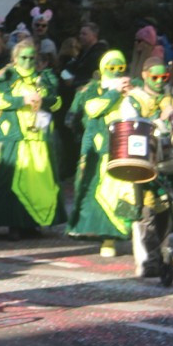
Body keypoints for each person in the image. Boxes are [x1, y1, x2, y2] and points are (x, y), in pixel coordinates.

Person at [0, 39, 66, 239]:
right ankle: (14, 224)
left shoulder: (44, 78)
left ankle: (33, 222)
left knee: (38, 180)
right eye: (23, 58)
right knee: (12, 180)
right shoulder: (6, 77)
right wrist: (22, 100)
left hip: (39, 138)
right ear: (15, 58)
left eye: (31, 58)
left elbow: (58, 103)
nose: (28, 61)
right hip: (14, 138)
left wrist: (43, 100)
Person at [118, 57, 173, 281]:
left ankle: (162, 256)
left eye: (164, 77)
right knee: (145, 212)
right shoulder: (133, 99)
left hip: (168, 162)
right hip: (142, 163)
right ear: (144, 75)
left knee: (165, 210)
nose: (160, 81)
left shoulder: (171, 98)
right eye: (155, 77)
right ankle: (146, 261)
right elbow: (131, 127)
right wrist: (159, 119)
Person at [67, 50, 133, 256]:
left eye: (120, 68)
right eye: (111, 68)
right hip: (100, 148)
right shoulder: (91, 89)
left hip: (127, 147)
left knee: (125, 193)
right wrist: (113, 92)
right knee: (100, 192)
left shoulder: (132, 86)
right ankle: (107, 237)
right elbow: (93, 109)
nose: (116, 72)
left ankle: (125, 233)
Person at [61, 22, 108, 88]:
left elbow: (95, 78)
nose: (80, 36)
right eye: (80, 34)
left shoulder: (99, 54)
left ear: (94, 35)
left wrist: (74, 82)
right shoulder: (83, 52)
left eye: (84, 34)